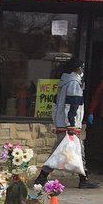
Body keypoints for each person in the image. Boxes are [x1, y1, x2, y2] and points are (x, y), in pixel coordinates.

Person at [35, 58, 98, 190]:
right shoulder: (74, 83)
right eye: (81, 67)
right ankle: (42, 177)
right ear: (76, 68)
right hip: (69, 125)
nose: (82, 70)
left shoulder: (63, 82)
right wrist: (71, 124)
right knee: (61, 152)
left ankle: (83, 177)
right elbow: (72, 105)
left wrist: (59, 121)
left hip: (62, 123)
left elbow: (56, 105)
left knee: (73, 151)